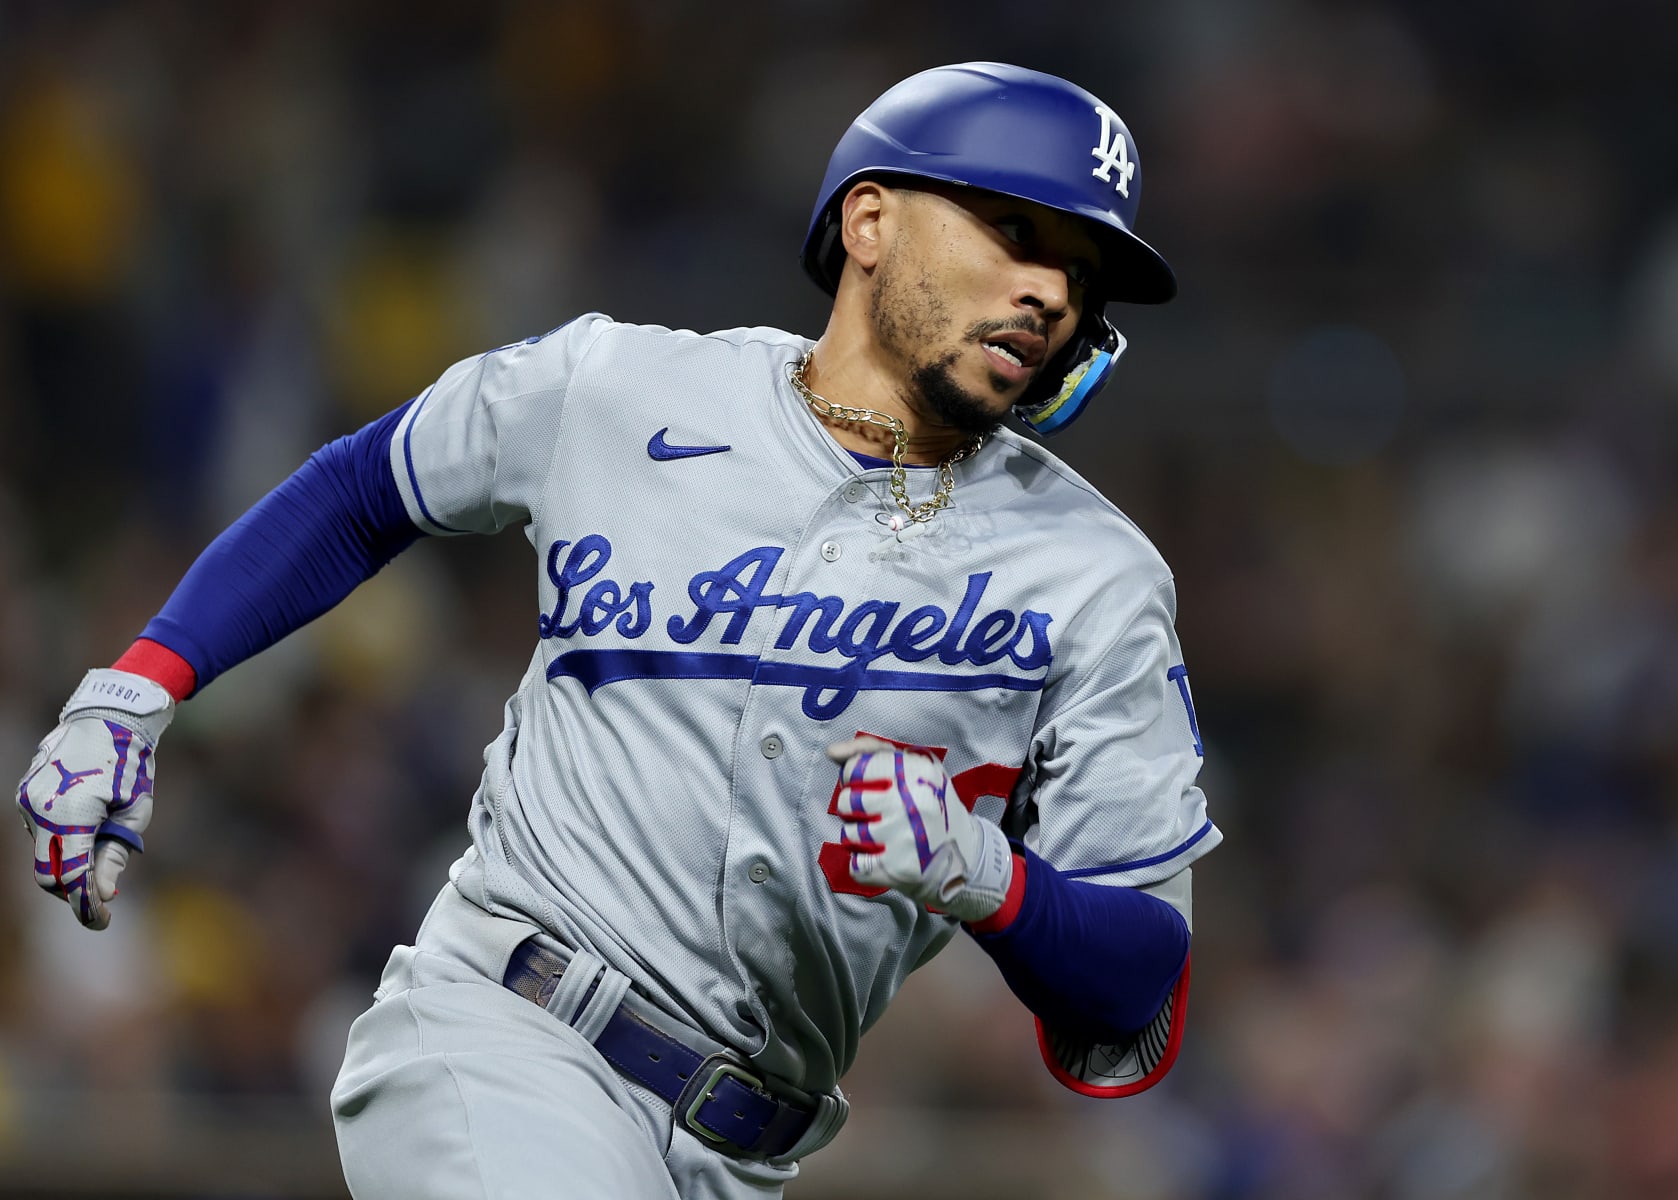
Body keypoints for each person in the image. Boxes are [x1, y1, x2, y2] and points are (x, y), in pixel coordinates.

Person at [16, 62, 1221, 1198]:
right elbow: (365, 486)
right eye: (1019, 233)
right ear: (868, 224)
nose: (1051, 290)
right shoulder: (617, 390)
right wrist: (142, 682)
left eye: (1081, 271)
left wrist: (990, 877)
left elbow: (1133, 991)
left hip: (747, 1153)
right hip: (506, 1036)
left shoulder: (1094, 576)